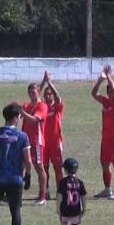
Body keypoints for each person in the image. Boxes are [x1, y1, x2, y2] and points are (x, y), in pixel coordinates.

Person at [91, 64, 114, 200]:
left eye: (113, 90)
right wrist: (100, 80)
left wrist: (109, 77)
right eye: (109, 91)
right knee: (104, 163)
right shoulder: (106, 102)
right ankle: (107, 189)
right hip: (105, 138)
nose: (111, 93)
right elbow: (93, 94)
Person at [21, 82, 48, 205]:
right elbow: (18, 117)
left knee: (39, 167)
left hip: (36, 141)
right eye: (30, 92)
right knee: (20, 165)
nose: (32, 94)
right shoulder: (26, 105)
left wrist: (21, 112)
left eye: (34, 92)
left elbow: (33, 120)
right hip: (24, 141)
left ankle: (42, 196)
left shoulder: (42, 106)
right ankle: (16, 192)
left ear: (39, 93)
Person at [40, 71, 65, 199]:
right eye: (46, 94)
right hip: (43, 143)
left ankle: (60, 191)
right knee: (44, 168)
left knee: (58, 168)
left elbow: (58, 96)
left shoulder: (57, 107)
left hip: (56, 142)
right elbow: (36, 94)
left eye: (50, 94)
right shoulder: (41, 107)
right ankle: (46, 190)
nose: (48, 96)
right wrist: (43, 81)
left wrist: (49, 82)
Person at [56, 158, 87, 225]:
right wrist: (84, 209)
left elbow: (59, 196)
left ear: (65, 170)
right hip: (76, 210)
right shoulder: (79, 182)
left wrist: (58, 208)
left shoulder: (63, 182)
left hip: (65, 209)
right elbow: (83, 197)